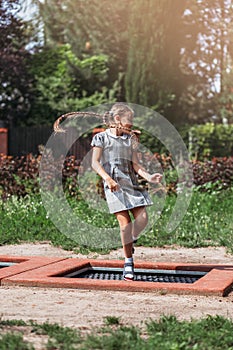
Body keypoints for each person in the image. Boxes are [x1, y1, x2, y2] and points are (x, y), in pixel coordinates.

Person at [91, 103, 162, 281]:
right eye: (129, 120)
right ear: (117, 119)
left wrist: (149, 177)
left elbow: (135, 165)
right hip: (114, 185)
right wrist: (107, 178)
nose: (131, 123)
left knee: (143, 219)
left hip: (131, 183)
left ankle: (131, 239)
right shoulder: (101, 138)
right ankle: (128, 262)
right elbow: (95, 163)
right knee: (125, 224)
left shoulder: (131, 140)